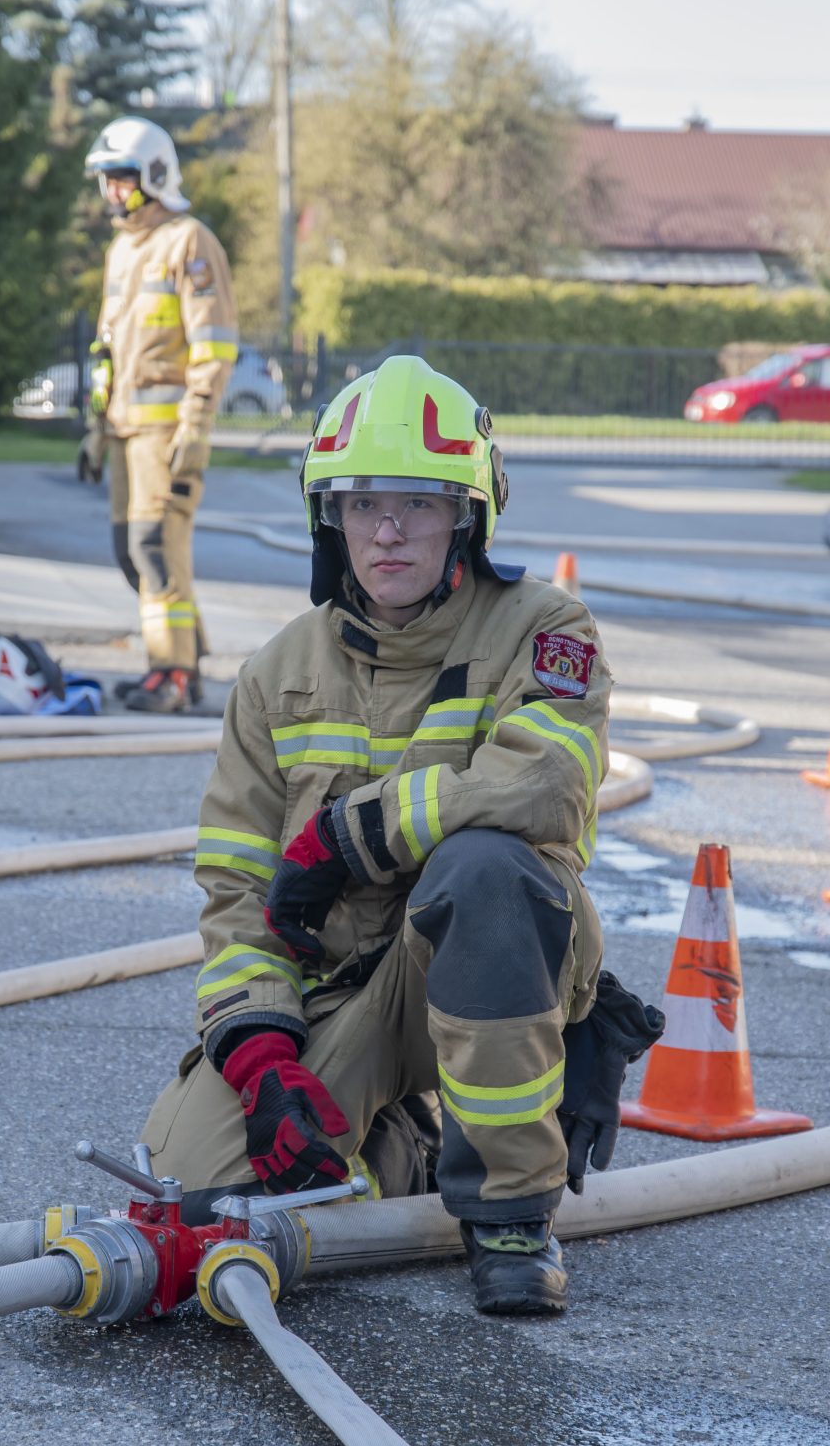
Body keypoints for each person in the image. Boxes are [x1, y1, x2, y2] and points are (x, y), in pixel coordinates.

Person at [136, 356, 665, 1318]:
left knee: (486, 867)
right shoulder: (276, 674)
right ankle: (405, 1142)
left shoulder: (542, 629)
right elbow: (235, 888)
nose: (387, 530)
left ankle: (510, 1213)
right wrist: (261, 1054)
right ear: (327, 518)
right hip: (344, 992)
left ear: (469, 514)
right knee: (207, 1200)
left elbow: (546, 782)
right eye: (362, 502)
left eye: (420, 502)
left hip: (487, 954)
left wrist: (352, 835)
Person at [79, 117, 237, 714]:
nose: (113, 193)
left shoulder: (188, 241)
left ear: (154, 176)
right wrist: (97, 430)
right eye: (107, 181)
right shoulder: (122, 250)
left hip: (167, 433)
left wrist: (196, 424)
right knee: (132, 551)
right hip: (123, 430)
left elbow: (214, 343)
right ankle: (184, 659)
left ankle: (170, 674)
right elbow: (108, 351)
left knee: (155, 547)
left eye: (123, 180)